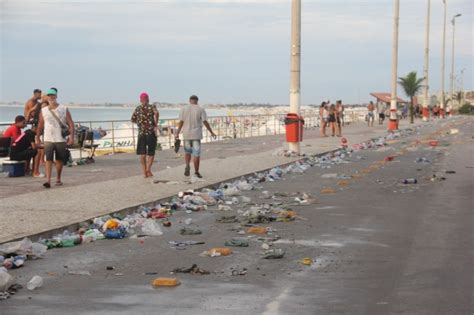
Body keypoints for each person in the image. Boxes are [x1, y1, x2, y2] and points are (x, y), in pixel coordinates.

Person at [36, 88, 74, 188]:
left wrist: (71, 137)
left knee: (59, 160)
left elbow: (71, 123)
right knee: (48, 159)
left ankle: (58, 178)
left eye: (53, 95)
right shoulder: (43, 110)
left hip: (60, 138)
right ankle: (48, 180)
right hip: (48, 138)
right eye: (49, 95)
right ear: (47, 97)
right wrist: (38, 137)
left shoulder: (63, 108)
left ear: (56, 96)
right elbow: (40, 125)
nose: (51, 97)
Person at [175, 95, 216, 178]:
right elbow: (205, 122)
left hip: (186, 135)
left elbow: (181, 122)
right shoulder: (200, 109)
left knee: (187, 152)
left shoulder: (183, 109)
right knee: (196, 154)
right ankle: (196, 172)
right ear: (197, 101)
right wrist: (211, 132)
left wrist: (177, 133)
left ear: (190, 100)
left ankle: (187, 165)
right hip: (196, 135)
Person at [131, 92, 159, 178]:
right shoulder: (152, 107)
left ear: (140, 100)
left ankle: (144, 172)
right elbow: (157, 113)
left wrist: (140, 123)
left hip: (141, 133)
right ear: (148, 99)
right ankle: (148, 169)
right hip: (150, 133)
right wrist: (155, 122)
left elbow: (132, 119)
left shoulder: (138, 108)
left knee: (142, 153)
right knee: (151, 152)